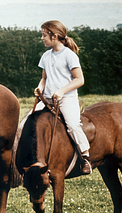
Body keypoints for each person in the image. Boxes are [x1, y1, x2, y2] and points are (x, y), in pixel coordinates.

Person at [34, 20, 92, 174]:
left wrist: (61, 91)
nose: (42, 38)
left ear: (54, 36)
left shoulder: (69, 55)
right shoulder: (46, 56)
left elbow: (79, 80)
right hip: (47, 100)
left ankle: (85, 157)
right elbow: (44, 78)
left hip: (66, 99)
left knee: (73, 125)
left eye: (44, 35)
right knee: (27, 122)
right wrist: (40, 89)